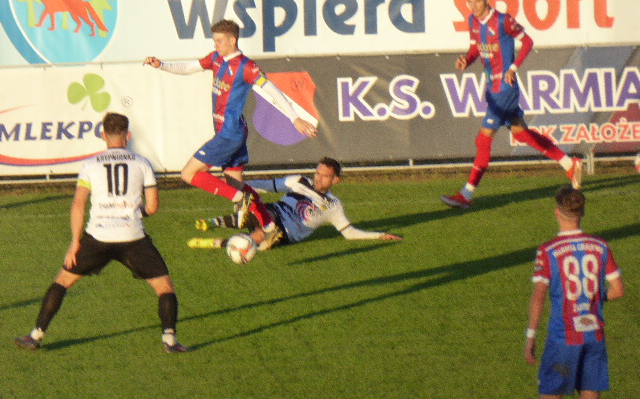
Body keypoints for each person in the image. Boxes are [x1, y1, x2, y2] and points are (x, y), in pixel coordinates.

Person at [13, 112, 189, 353]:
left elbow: (78, 204)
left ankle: (35, 336)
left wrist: (75, 242)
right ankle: (169, 340)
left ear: (103, 135)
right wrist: (133, 214)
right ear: (128, 136)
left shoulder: (90, 165)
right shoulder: (142, 163)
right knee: (164, 288)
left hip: (98, 236)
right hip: (132, 237)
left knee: (63, 282)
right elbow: (152, 207)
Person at [144, 19, 317, 242]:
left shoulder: (247, 67)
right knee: (234, 183)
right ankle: (269, 225)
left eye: (219, 40)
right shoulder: (216, 58)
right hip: (232, 132)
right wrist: (162, 65)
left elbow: (272, 90)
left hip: (230, 133)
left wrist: (294, 119)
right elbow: (190, 67)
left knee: (189, 174)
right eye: (214, 40)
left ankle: (241, 199)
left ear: (232, 40)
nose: (215, 44)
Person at [441, 0, 583, 210]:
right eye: (469, 1)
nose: (473, 6)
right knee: (522, 134)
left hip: (504, 88)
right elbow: (476, 48)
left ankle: (466, 194)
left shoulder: (502, 20)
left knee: (483, 139)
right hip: (492, 86)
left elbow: (527, 41)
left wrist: (513, 68)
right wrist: (466, 60)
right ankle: (569, 163)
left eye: (477, 1)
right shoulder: (472, 21)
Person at [524, 185, 624, 398]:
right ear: (582, 213)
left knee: (552, 392)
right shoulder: (601, 246)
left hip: (563, 338)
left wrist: (531, 336)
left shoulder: (548, 250)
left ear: (557, 212)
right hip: (594, 335)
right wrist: (594, 297)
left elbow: (538, 297)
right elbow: (618, 290)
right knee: (590, 392)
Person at [188, 157, 402, 251]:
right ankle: (213, 223)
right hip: (272, 213)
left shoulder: (333, 205)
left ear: (335, 180)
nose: (319, 178)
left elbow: (349, 233)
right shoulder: (298, 181)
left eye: (325, 176)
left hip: (286, 233)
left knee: (259, 238)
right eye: (318, 173)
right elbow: (266, 186)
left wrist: (379, 235)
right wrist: (236, 186)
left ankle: (219, 242)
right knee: (258, 210)